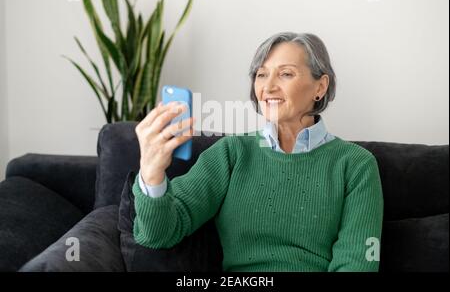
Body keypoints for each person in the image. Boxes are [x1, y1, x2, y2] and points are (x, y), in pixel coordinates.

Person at [133, 31, 384, 272]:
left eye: (285, 74)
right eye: (261, 75)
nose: (268, 86)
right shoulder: (231, 154)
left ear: (320, 87)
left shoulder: (356, 165)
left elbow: (358, 262)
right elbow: (159, 234)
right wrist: (151, 174)